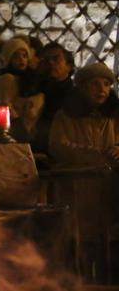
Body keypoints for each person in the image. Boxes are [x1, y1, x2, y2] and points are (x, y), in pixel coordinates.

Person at [47, 62, 118, 280]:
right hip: (78, 189)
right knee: (79, 245)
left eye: (106, 84)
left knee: (109, 243)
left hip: (109, 191)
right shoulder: (66, 117)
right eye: (95, 84)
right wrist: (92, 154)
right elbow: (58, 145)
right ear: (83, 88)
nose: (101, 89)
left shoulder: (114, 117)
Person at [0, 37, 44, 142]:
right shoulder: (7, 80)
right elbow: (4, 106)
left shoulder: (28, 81)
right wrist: (17, 127)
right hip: (14, 133)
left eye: (24, 56)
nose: (21, 60)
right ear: (9, 60)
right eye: (16, 57)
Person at [31, 43, 75, 153]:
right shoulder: (35, 90)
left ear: (69, 66)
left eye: (56, 59)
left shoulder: (75, 95)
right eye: (46, 60)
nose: (51, 63)